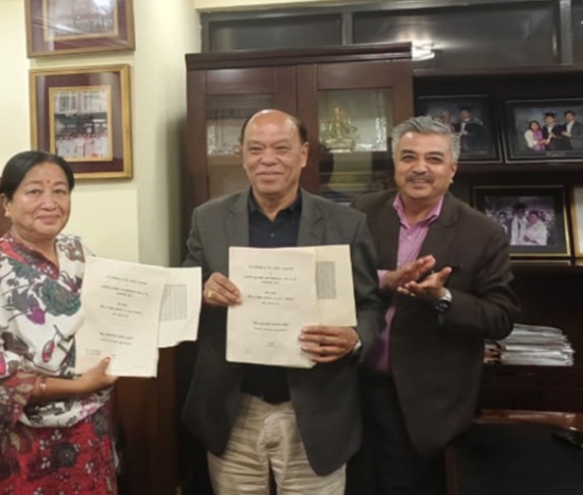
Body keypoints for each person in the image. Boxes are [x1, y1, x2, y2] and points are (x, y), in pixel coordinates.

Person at [182, 109, 383, 494]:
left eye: (281, 148)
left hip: (316, 409)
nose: (268, 159)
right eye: (256, 149)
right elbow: (186, 287)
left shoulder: (345, 224)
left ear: (303, 155)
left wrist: (355, 338)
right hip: (233, 409)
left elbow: (371, 305)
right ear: (242, 155)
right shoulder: (208, 219)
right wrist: (203, 291)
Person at [348, 116, 519, 495]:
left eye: (434, 159)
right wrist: (385, 280)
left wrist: (443, 299)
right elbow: (336, 277)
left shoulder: (483, 233)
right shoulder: (362, 212)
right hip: (353, 387)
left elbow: (501, 316)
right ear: (395, 163)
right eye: (409, 157)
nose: (420, 168)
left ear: (452, 169)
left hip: (423, 402)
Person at [0, 151, 118, 495]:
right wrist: (78, 385)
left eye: (60, 191)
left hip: (90, 433)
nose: (50, 203)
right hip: (21, 447)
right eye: (34, 191)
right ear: (7, 203)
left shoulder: (80, 254)